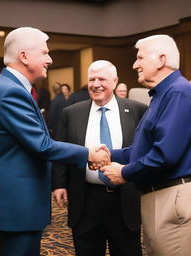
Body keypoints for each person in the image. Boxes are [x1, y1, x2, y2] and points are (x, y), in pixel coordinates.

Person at [0, 27, 109, 256]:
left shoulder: (11, 87)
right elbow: (42, 144)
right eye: (45, 53)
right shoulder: (11, 91)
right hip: (17, 205)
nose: (49, 59)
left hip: (17, 203)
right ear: (24, 56)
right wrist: (88, 153)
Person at [101, 35, 191, 256]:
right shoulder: (162, 95)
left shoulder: (178, 93)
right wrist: (108, 154)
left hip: (177, 197)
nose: (135, 65)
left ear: (161, 59)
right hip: (163, 196)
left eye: (140, 57)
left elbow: (164, 154)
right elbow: (143, 149)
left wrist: (124, 172)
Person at [53, 60, 147, 256]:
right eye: (91, 79)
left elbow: (143, 151)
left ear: (115, 81)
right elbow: (61, 150)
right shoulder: (71, 113)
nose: (96, 84)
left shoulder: (137, 110)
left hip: (125, 199)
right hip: (85, 199)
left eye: (102, 78)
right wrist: (59, 184)